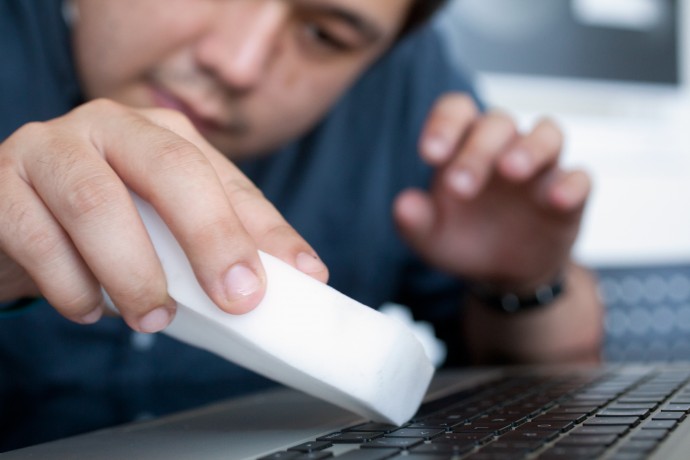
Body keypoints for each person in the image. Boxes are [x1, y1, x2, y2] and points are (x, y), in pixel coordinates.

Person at [0, 0, 602, 450]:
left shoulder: (407, 92)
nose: (237, 63)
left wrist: (526, 280)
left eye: (324, 36)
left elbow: (551, 389)